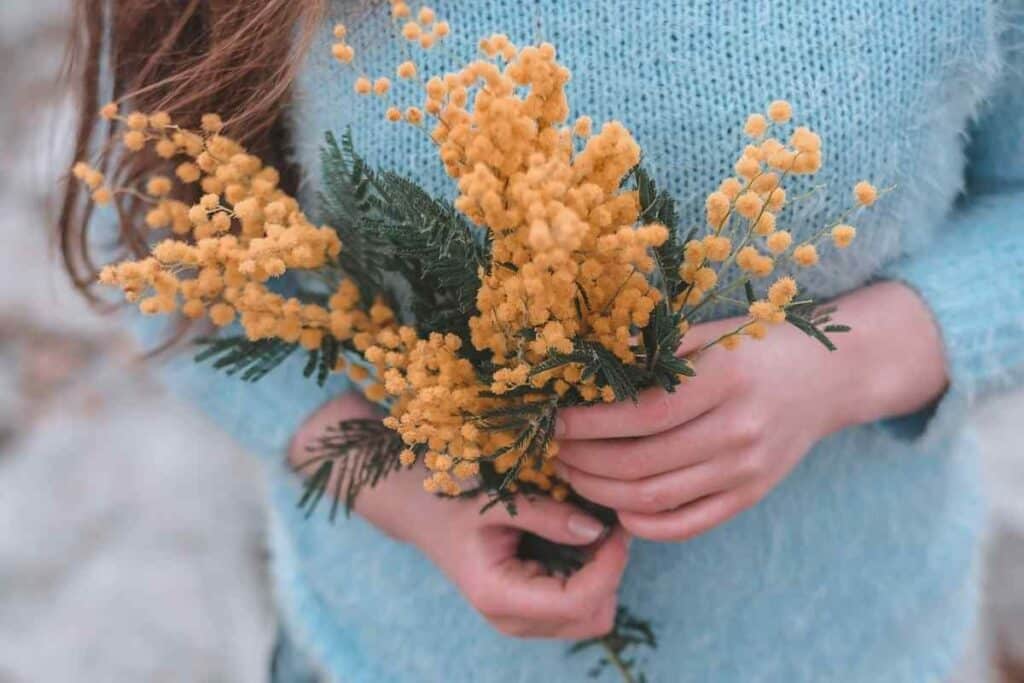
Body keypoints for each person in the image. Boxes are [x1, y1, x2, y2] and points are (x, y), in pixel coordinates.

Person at [59, 1, 1024, 680]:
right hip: (395, 652)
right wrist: (393, 484)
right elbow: (153, 226)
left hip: (857, 646)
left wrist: (863, 358)